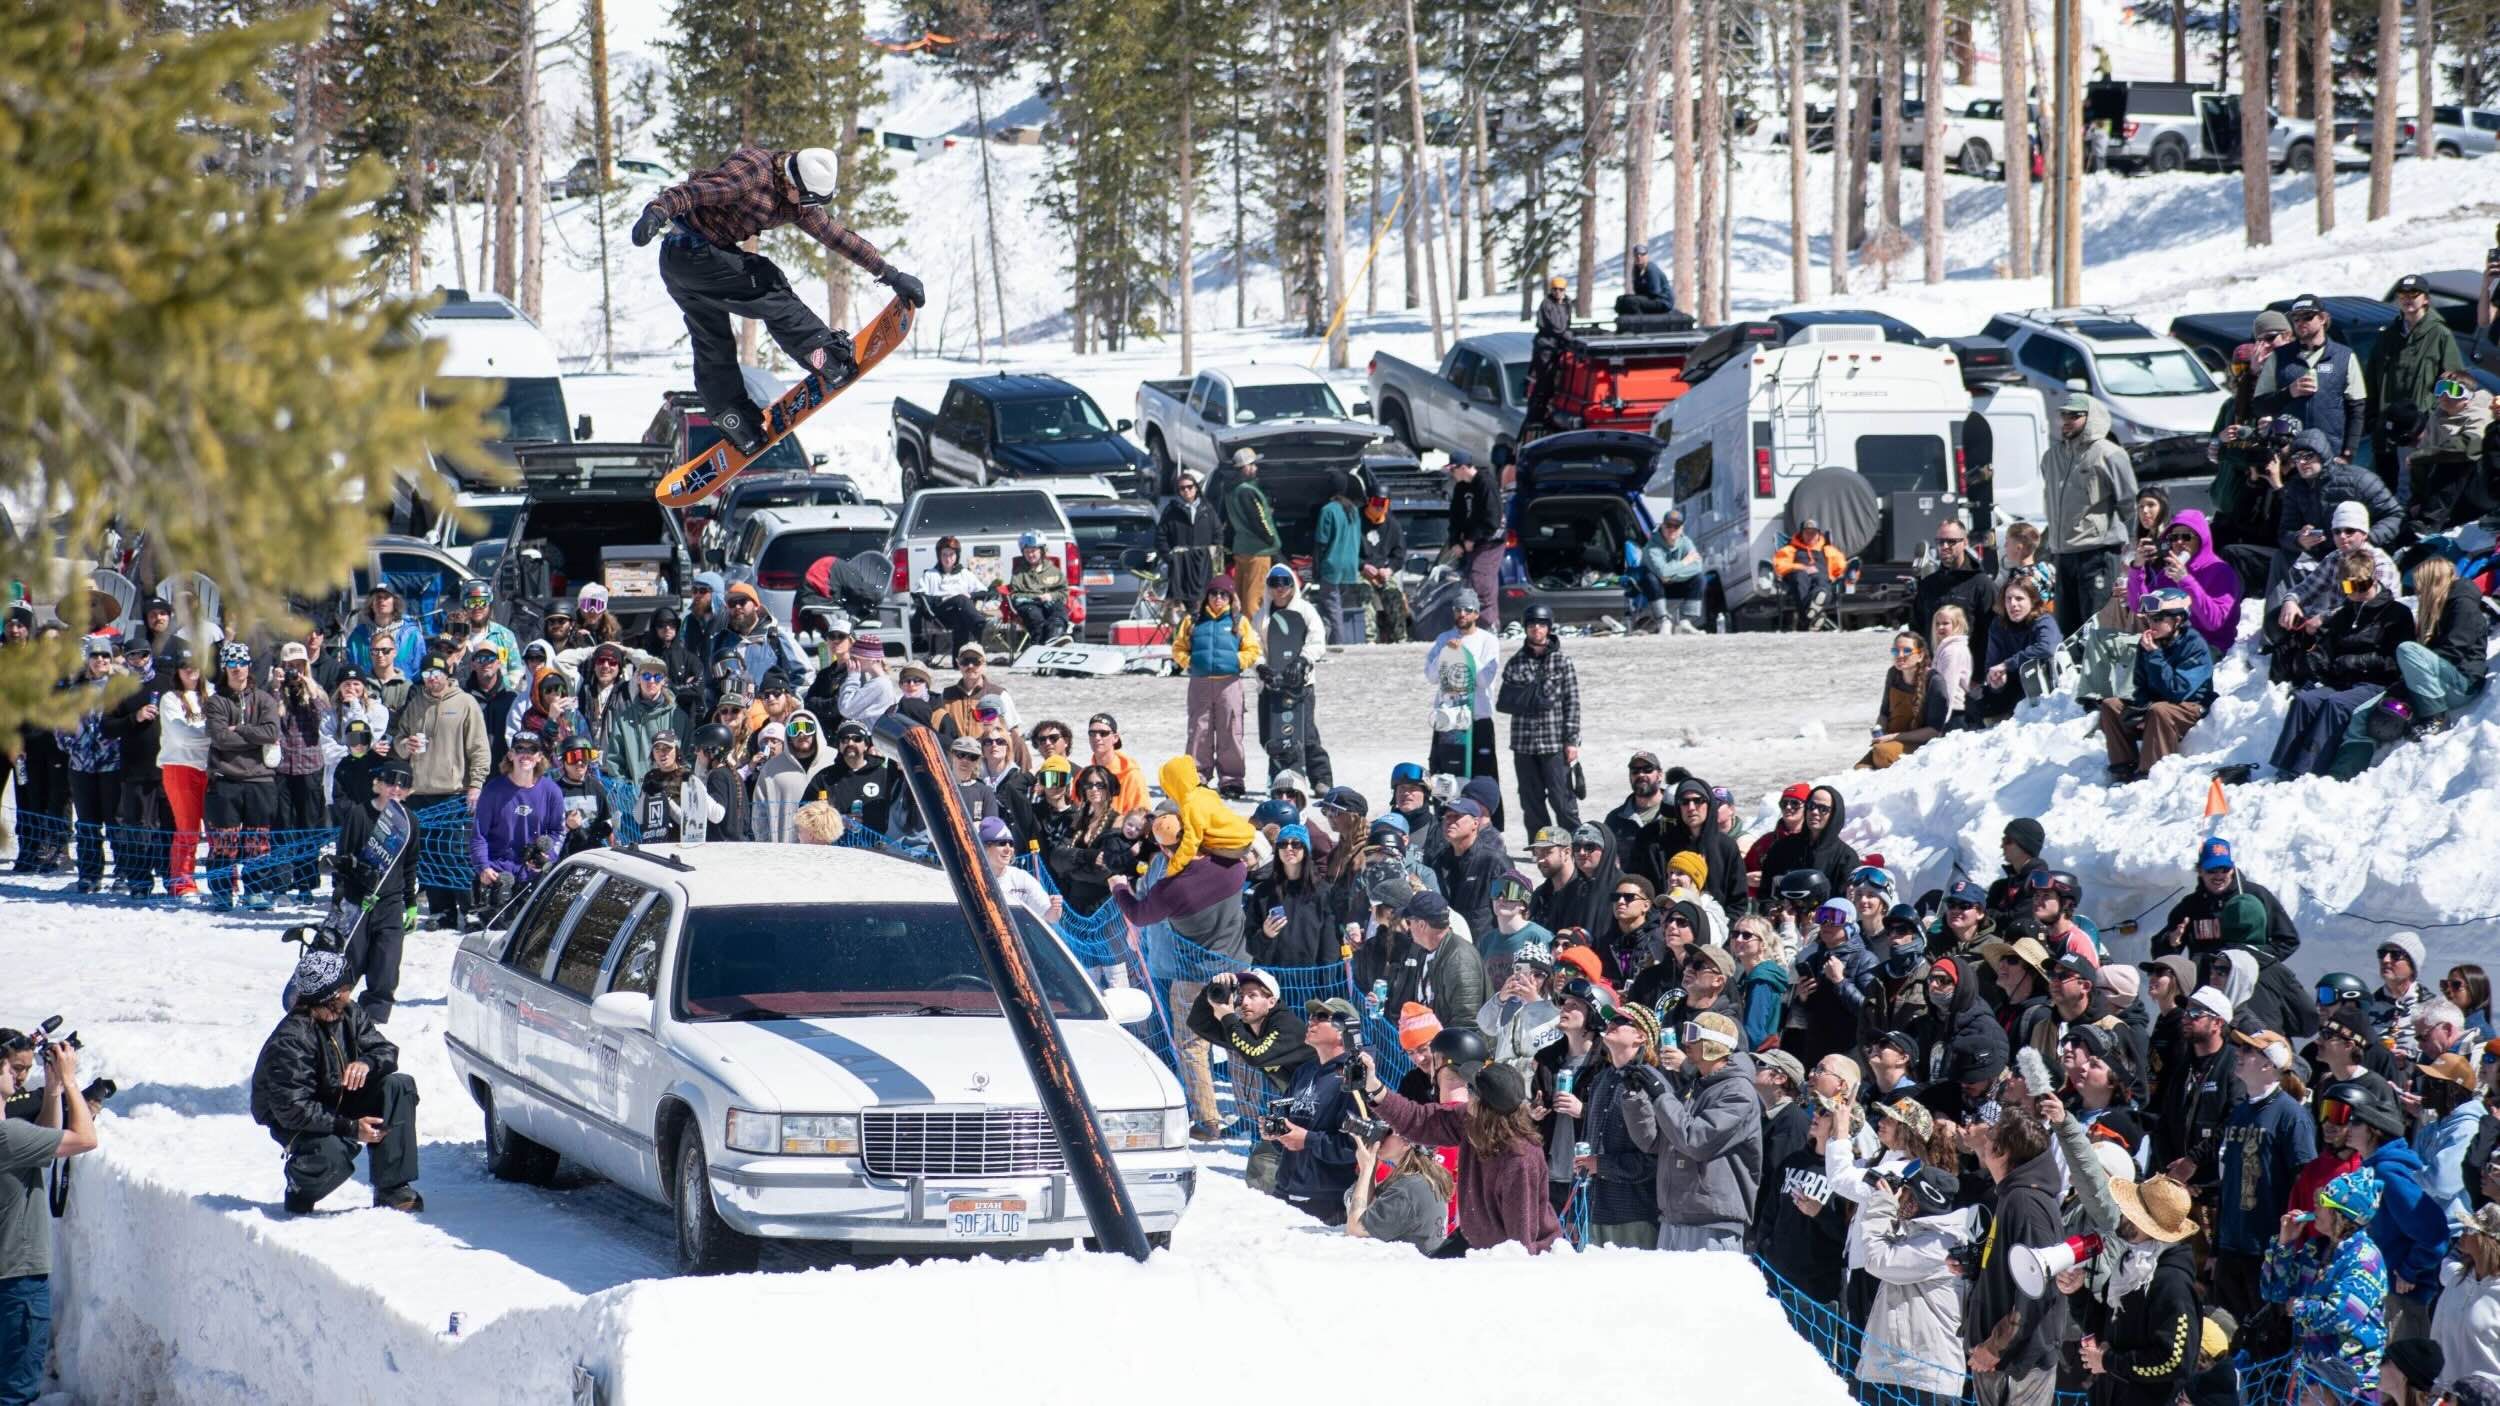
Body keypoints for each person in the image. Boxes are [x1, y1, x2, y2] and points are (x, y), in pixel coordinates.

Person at [629, 146, 920, 453]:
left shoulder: (797, 199)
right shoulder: (752, 172)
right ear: (794, 182)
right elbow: (696, 191)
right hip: (694, 252)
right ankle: (822, 353)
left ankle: (734, 418)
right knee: (768, 283)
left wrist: (889, 273)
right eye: (806, 199)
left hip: (681, 264)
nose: (807, 208)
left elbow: (835, 235)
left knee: (713, 339)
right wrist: (658, 210)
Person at [251, 946, 422, 1214]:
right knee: (333, 1151)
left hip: (339, 1096)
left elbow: (386, 1051)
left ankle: (393, 1188)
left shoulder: (349, 1014)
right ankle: (300, 1187)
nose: (348, 992)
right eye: (344, 987)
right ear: (329, 995)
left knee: (398, 1085)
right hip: (299, 1119)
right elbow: (293, 1109)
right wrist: (352, 1127)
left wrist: (366, 1063)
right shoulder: (292, 1039)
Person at [1358, 1054, 1560, 1254]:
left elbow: (1520, 1244)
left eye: (1470, 1088)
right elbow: (1419, 1120)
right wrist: (1375, 1088)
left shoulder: (1520, 1159)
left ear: (1483, 1106)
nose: (1465, 1091)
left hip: (1515, 1253)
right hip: (1476, 1239)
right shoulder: (1470, 1122)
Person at [0, 1028, 100, 1404]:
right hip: (17, 1280)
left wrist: (55, 1089)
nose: (17, 1076)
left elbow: (41, 1139)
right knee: (15, 1391)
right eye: (9, 1069)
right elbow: (85, 1139)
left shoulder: (11, 1137)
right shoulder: (6, 1136)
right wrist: (73, 1081)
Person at [2323, 1077, 2452, 1345]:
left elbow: (2435, 1232)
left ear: (2373, 1130)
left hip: (2401, 1300)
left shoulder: (2388, 1172)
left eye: (2354, 1122)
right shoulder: (2373, 1167)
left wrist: (2409, 1270)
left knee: (2398, 1383)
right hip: (2381, 1292)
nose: (2346, 1127)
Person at [1619, 1010, 1762, 1251]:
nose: (1686, 1042)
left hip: (1713, 1225)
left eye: (1693, 1035)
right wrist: (1637, 1098)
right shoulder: (1695, 1087)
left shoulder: (1738, 1092)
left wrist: (1662, 1095)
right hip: (1674, 1217)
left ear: (1715, 1045)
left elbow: (1695, 1140)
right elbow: (1654, 1142)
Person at [2270, 548, 2415, 778]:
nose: (2355, 593)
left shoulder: (2397, 614)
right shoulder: (2343, 614)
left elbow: (2395, 659)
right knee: (2305, 700)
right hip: (2344, 681)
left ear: (2374, 578)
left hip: (2377, 683)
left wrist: (2353, 662)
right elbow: (2327, 653)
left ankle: (2308, 770)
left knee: (2335, 704)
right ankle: (2284, 767)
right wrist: (2310, 648)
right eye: (2349, 587)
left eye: (2361, 586)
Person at [1963, 1103, 2069, 1406]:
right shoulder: (2013, 1195)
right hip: (1999, 1358)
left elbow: (2037, 1289)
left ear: (2001, 1152)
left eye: (1990, 1137)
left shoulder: (2026, 1203)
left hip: (2018, 1362)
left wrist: (1996, 1347)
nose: (1983, 1143)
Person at [2263, 1166, 2391, 1401]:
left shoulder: (2364, 1258)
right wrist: (2284, 1244)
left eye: (2323, 1201)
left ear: (2342, 1214)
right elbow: (2273, 1292)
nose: (2315, 1207)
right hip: (2312, 1376)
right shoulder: (2316, 1249)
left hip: (2349, 1383)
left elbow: (2342, 1315)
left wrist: (2298, 1308)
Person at [1857, 1161, 1976, 1404]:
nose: (1898, 1197)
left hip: (1923, 1379)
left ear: (1918, 1201)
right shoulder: (1919, 1236)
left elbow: (1878, 1260)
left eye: (1905, 1191)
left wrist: (1882, 1205)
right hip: (1897, 1373)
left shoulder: (1942, 1244)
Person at [2081, 1174, 2205, 1406]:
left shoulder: (2172, 1283)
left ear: (2148, 1226)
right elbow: (2106, 1325)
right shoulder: (2130, 1264)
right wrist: (2077, 1292)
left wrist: (2109, 1362)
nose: (2123, 1214)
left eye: (2132, 1212)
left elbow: (2175, 1361)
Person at [2096, 587, 2216, 783]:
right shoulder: (2151, 644)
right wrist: (2139, 709)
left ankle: (2149, 773)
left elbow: (2178, 691)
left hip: (2190, 705)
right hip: (2158, 703)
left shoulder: (2194, 645)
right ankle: (2123, 768)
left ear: (2178, 619)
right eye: (2149, 619)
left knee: (2160, 711)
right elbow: (2140, 685)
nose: (2151, 624)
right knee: (2111, 705)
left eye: (2158, 618)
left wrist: (2155, 656)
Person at [332, 759, 419, 1022]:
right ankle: (336, 1013)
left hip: (390, 903)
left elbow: (410, 865)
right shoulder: (359, 815)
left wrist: (411, 904)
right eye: (390, 782)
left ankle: (373, 1022)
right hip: (359, 901)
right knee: (352, 961)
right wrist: (344, 897)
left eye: (402, 785)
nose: (395, 789)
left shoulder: (410, 823)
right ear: (378, 784)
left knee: (387, 965)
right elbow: (343, 859)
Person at [1262, 1001, 1362, 1225]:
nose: (1311, 1020)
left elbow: (1356, 1147)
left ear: (1342, 1030)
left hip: (1327, 1200)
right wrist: (1277, 1133)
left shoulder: (1355, 1076)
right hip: (1286, 1189)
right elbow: (1289, 1126)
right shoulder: (1305, 1070)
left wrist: (1308, 1140)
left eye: (1321, 1016)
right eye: (1312, 1015)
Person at [2367, 273, 2465, 495]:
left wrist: (2434, 415)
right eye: (2403, 294)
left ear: (2426, 299)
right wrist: (2373, 417)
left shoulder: (2440, 334)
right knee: (2386, 486)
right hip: (2388, 424)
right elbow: (2372, 379)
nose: (2408, 298)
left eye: (2414, 294)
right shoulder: (2387, 335)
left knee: (2417, 485)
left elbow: (2456, 380)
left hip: (2422, 427)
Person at [203, 642, 283, 910]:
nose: (238, 670)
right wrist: (253, 736)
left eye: (242, 664)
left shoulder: (264, 699)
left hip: (260, 779)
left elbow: (271, 733)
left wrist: (243, 729)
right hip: (225, 778)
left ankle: (256, 890)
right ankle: (222, 892)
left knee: (258, 842)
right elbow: (221, 738)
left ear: (249, 666)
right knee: (224, 842)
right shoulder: (216, 701)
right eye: (232, 665)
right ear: (225, 667)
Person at [1498, 604, 1581, 834]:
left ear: (1549, 628)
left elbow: (1572, 703)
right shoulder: (1516, 662)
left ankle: (1576, 842)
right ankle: (1542, 843)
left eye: (1542, 625)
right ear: (1525, 628)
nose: (1537, 629)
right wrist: (1528, 699)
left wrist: (1572, 741)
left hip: (1553, 742)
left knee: (1561, 797)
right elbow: (1505, 701)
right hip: (1523, 744)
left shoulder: (1562, 662)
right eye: (1532, 624)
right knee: (1530, 799)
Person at [1172, 573, 1258, 798]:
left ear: (1231, 598)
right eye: (1214, 593)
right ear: (1207, 596)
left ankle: (1231, 779)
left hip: (1229, 683)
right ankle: (1197, 776)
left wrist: (1237, 662)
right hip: (1200, 683)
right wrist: (1189, 662)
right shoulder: (1193, 621)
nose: (1218, 598)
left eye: (1223, 594)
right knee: (1199, 730)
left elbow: (1252, 650)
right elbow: (1178, 647)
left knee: (1230, 730)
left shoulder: (1239, 621)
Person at [2257, 294, 2369, 465]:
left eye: (2307, 317)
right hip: (2290, 455)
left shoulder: (2344, 356)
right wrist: (2289, 393)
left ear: (2323, 318)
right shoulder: (2279, 357)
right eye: (2296, 318)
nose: (2301, 322)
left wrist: (2348, 453)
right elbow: (2259, 406)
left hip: (2331, 453)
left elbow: (2357, 410)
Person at [1422, 589, 1503, 822]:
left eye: (1467, 610)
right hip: (1448, 718)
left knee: (1483, 775)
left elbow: (1484, 679)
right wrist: (1446, 651)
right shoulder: (1443, 638)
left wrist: (1464, 653)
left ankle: (1488, 822)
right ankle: (1443, 818)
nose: (1462, 614)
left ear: (1476, 613)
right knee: (1444, 773)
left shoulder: (1488, 640)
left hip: (1478, 718)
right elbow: (1431, 676)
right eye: (1458, 609)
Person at [1256, 565, 1332, 789]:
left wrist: (1303, 660)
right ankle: (1282, 776)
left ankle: (1321, 778)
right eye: (1274, 583)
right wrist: (1260, 667)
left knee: (1306, 733)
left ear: (1293, 585)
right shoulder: (1262, 616)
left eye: (1285, 582)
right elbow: (1253, 645)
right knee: (1272, 734)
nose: (1280, 588)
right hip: (1272, 685)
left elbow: (1317, 640)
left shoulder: (1305, 610)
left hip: (1301, 683)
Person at [470, 734, 564, 910]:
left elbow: (557, 831)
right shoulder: (493, 791)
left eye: (532, 750)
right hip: (497, 873)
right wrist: (483, 867)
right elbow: (478, 835)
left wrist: (546, 857)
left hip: (532, 875)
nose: (525, 754)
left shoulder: (552, 791)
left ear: (539, 757)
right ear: (511, 755)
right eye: (520, 749)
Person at [153, 644, 211, 901]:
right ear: (178, 671)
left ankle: (224, 881)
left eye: (196, 667)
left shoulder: (212, 694)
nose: (192, 672)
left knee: (220, 830)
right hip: (180, 767)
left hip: (210, 767)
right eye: (186, 668)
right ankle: (182, 882)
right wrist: (212, 737)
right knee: (187, 829)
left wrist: (213, 736)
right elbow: (181, 736)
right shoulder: (170, 699)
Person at [2405, 374, 2493, 540]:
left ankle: (2431, 520)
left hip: (2483, 482)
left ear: (2467, 396)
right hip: (2449, 495)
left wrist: (2423, 456)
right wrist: (2417, 499)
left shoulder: (2482, 411)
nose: (2445, 396)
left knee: (2452, 460)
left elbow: (2468, 448)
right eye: (2441, 389)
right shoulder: (2438, 416)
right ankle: (2424, 519)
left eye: (2453, 390)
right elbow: (2422, 459)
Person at [1344, 1123, 1455, 1253]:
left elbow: (1355, 1229)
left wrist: (1365, 1170)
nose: (1380, 1138)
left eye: (1387, 1133)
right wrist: (1371, 1168)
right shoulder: (1423, 1180)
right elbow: (1367, 1212)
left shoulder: (1408, 1190)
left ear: (1407, 1142)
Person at [1972, 576, 2063, 725]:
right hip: (2012, 686)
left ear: (2032, 601)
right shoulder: (1998, 626)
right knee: (1975, 700)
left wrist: (2008, 664)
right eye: (2008, 599)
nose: (2013, 604)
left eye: (2019, 599)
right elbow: (1993, 664)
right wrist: (1996, 682)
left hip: (2042, 686)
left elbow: (2047, 648)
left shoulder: (2044, 620)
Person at [1858, 630, 1954, 770]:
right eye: (1896, 651)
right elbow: (1884, 713)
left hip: (1921, 743)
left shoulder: (1934, 681)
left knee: (1882, 754)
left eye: (1907, 651)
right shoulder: (1893, 674)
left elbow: (1934, 731)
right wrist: (1879, 732)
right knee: (1860, 769)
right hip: (1890, 740)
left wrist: (1892, 738)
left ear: (1920, 655)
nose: (1900, 656)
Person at [2431, 1204, 2500, 1390]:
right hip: (2445, 1395)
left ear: (2489, 1241)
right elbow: (2436, 1336)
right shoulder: (2456, 1278)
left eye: (2470, 1229)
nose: (2462, 1233)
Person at [1446, 449, 1503, 632]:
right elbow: (1455, 517)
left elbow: (1492, 518)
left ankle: (1488, 624)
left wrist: (1472, 538)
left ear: (1463, 467)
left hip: (1491, 541)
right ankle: (1481, 624)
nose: (1451, 474)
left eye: (1452, 469)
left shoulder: (1485, 483)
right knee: (1470, 582)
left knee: (1481, 580)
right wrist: (1455, 541)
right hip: (1472, 542)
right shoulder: (1461, 487)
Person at [1223, 447, 1282, 624]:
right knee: (1254, 598)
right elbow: (1259, 520)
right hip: (1258, 550)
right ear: (1245, 467)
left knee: (1240, 597)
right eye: (1253, 464)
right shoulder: (1247, 490)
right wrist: (1271, 539)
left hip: (1241, 548)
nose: (1256, 468)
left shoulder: (1230, 491)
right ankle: (1252, 638)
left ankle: (1238, 632)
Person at [1154, 468, 1219, 617]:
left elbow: (1217, 532)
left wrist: (1214, 552)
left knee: (1205, 602)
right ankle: (1183, 635)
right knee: (1183, 606)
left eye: (1189, 487)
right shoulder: (1171, 510)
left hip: (1203, 562)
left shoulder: (1207, 508)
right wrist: (1169, 557)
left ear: (1196, 487)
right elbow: (1160, 536)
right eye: (1182, 488)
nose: (1186, 491)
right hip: (1180, 565)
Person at [1635, 508, 1709, 634]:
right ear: (1662, 526)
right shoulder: (1651, 547)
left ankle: (1685, 622)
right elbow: (1663, 572)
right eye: (1669, 525)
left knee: (1700, 578)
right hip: (1653, 589)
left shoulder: (1686, 542)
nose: (1672, 529)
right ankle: (1664, 620)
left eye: (1676, 526)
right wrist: (1684, 562)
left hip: (1672, 583)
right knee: (1650, 578)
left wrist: (1670, 576)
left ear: (1681, 528)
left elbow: (1697, 566)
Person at [1310, 471, 1364, 643]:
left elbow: (1321, 543)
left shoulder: (1328, 510)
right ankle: (1330, 641)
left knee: (1333, 608)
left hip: (1332, 567)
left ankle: (1339, 644)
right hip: (1350, 568)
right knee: (1333, 606)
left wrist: (1316, 568)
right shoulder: (1353, 510)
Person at [1773, 517, 1849, 630]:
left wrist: (1849, 574)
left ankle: (1807, 618)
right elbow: (1780, 566)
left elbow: (1842, 566)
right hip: (1799, 578)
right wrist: (1802, 567)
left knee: (1822, 584)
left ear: (1818, 534)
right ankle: (1812, 617)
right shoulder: (1790, 549)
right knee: (1800, 577)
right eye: (1807, 533)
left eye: (1813, 533)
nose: (1810, 536)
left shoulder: (1828, 550)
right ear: (1801, 534)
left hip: (1821, 578)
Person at [1356, 488, 1411, 643]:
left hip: (1382, 571)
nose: (1379, 507)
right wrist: (1362, 566)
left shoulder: (1392, 524)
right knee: (1364, 593)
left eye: (1383, 503)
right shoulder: (1356, 521)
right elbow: (1348, 551)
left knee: (1394, 595)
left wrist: (1390, 569)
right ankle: (1370, 639)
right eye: (1376, 503)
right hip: (1361, 571)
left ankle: (1400, 638)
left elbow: (1399, 554)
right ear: (1369, 501)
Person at [1523, 274, 1573, 433]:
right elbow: (1556, 327)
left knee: (1555, 382)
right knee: (1544, 382)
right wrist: (1569, 337)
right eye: (1555, 289)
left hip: (1557, 345)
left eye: (1561, 289)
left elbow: (1566, 324)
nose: (1558, 292)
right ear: (1551, 290)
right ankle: (1535, 416)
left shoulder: (1567, 303)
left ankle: (1547, 412)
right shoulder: (1547, 304)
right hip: (1546, 346)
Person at [1006, 532, 1069, 645]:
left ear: (1042, 551)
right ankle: (1038, 645)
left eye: (1033, 551)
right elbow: (1015, 594)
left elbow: (1063, 592)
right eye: (1027, 552)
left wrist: (1050, 596)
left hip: (1050, 602)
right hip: (1029, 604)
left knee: (1059, 611)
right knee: (1035, 616)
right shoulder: (1019, 572)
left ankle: (1054, 638)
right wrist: (1035, 598)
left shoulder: (1053, 571)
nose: (1030, 555)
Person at [1618, 241, 1674, 315]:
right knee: (1621, 300)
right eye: (1636, 255)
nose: (1639, 257)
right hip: (1651, 299)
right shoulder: (1636, 270)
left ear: (1647, 256)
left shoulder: (1651, 269)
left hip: (1663, 301)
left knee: (1632, 302)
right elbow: (1638, 291)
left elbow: (1654, 292)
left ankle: (1640, 323)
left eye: (1642, 255)